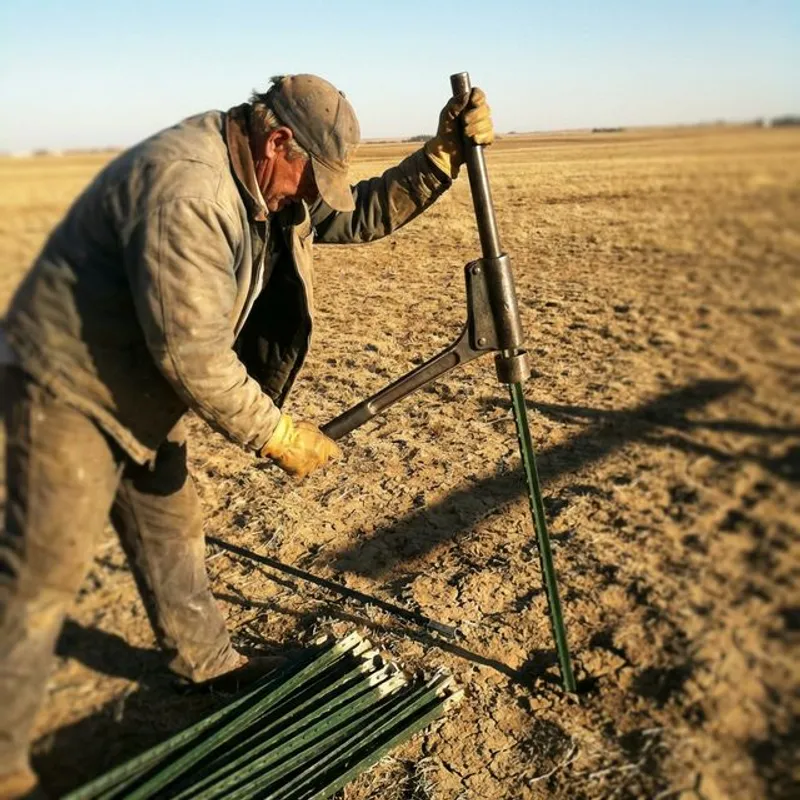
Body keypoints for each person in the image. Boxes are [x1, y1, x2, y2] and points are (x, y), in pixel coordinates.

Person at [0, 73, 494, 799]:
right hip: (67, 386)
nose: (309, 196)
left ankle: (205, 666)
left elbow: (355, 216)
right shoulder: (190, 190)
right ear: (278, 141)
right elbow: (189, 353)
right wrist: (279, 434)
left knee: (171, 524)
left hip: (136, 383)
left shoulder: (264, 182)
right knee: (44, 573)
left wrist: (441, 157)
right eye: (307, 177)